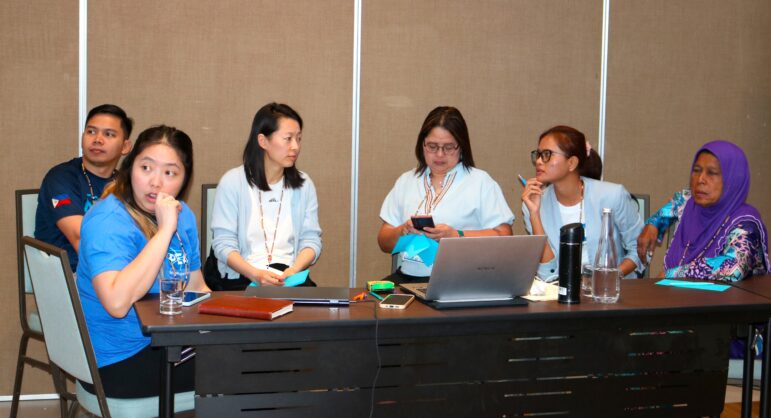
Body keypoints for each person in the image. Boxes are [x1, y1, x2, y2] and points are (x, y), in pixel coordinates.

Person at [76, 125, 209, 398]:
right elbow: (116, 303)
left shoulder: (182, 215)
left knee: (252, 354)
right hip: (118, 361)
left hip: (167, 343)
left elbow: (198, 287)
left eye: (170, 173)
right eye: (146, 168)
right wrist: (164, 231)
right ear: (130, 167)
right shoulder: (108, 220)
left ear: (184, 179)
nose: (155, 182)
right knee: (245, 368)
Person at [378, 106, 514, 283]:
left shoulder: (480, 182)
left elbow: (504, 236)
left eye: (449, 147)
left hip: (461, 280)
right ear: (422, 144)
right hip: (408, 279)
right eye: (432, 147)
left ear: (462, 146)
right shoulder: (407, 181)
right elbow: (384, 242)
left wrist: (455, 235)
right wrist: (402, 231)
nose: (440, 154)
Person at [207, 103, 322, 290]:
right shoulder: (232, 182)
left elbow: (311, 240)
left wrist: (294, 270)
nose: (295, 146)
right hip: (244, 278)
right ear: (263, 141)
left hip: (288, 278)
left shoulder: (304, 184)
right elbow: (223, 244)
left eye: (298, 139)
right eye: (288, 139)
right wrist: (256, 274)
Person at [521, 125, 643, 282]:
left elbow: (638, 250)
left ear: (571, 163)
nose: (538, 161)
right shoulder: (533, 204)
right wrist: (534, 215)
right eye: (538, 154)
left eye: (547, 154)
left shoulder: (612, 196)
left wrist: (608, 278)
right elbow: (548, 274)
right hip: (561, 295)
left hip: (611, 293)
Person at [637, 140, 769, 281]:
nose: (700, 179)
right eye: (696, 170)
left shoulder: (746, 222)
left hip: (726, 302)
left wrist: (672, 274)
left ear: (733, 179)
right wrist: (652, 225)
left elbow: (733, 267)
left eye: (712, 173)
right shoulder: (688, 202)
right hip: (680, 298)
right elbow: (664, 214)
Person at [35, 104, 133, 272]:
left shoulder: (127, 185)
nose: (97, 139)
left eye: (108, 134)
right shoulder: (60, 177)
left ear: (125, 147)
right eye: (91, 132)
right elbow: (80, 236)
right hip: (70, 274)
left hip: (118, 271)